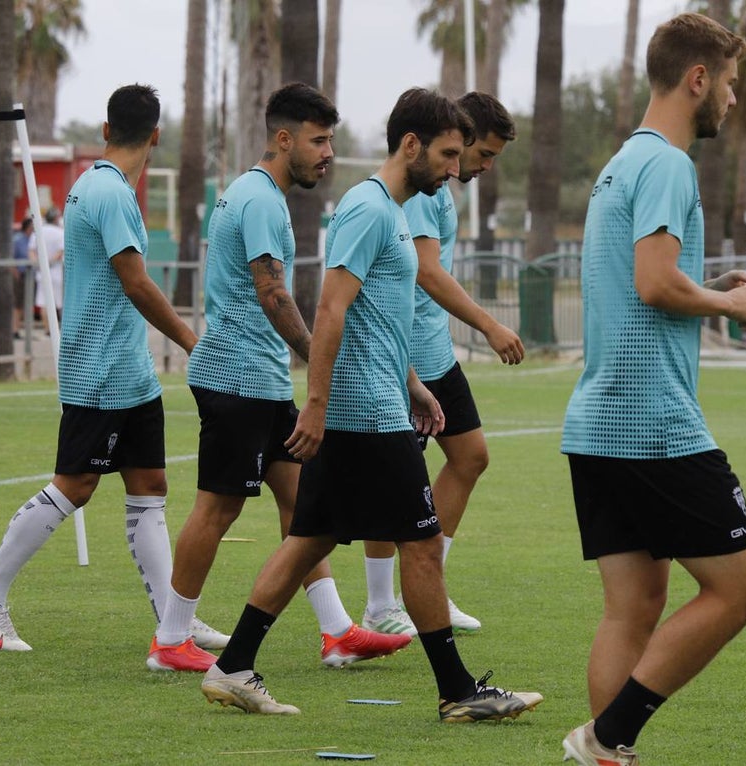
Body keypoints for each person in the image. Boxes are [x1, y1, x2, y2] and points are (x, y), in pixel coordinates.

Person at [199, 87, 542, 722]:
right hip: (364, 415)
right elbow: (331, 308)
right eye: (445, 154)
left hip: (381, 400)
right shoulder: (369, 209)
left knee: (308, 538)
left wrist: (413, 381)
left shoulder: (389, 210)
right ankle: (459, 692)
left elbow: (375, 318)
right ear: (410, 145)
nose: (452, 167)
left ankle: (232, 667)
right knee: (419, 542)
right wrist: (318, 405)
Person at [559, 14, 746, 765]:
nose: (734, 100)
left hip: (596, 423)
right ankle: (606, 737)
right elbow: (652, 284)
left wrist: (706, 288)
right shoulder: (671, 165)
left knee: (634, 607)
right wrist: (730, 306)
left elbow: (642, 281)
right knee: (742, 592)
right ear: (698, 79)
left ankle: (607, 758)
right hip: (653, 424)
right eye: (732, 83)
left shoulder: (622, 163)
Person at [151, 82, 410, 670]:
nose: (327, 153)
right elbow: (273, 293)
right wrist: (320, 354)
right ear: (283, 138)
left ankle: (338, 630)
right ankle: (170, 640)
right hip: (236, 377)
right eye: (318, 141)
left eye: (331, 141)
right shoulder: (262, 198)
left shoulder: (253, 192)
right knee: (217, 509)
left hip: (260, 380)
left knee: (303, 506)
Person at [0, 84, 206, 674]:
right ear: (155, 135)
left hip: (131, 370)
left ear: (104, 128)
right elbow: (136, 281)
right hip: (97, 371)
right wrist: (195, 343)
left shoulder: (106, 186)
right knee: (76, 485)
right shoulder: (107, 190)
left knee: (150, 484)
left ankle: (176, 621)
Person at [361, 92, 523, 637]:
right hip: (405, 357)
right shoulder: (426, 188)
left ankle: (429, 586)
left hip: (433, 353)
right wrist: (490, 324)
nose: (482, 167)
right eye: (486, 155)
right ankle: (383, 604)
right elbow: (427, 272)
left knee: (470, 456)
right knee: (387, 486)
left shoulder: (440, 189)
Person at [31, 207, 66, 334]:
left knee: (44, 302)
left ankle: (48, 329)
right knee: (59, 301)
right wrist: (50, 262)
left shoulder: (38, 232)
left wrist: (40, 263)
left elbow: (31, 250)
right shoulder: (60, 233)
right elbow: (61, 251)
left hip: (41, 272)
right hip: (57, 271)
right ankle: (59, 329)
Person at [12, 216, 33, 339]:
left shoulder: (32, 240)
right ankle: (15, 328)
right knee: (18, 304)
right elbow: (12, 257)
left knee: (27, 303)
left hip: (30, 275)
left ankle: (24, 329)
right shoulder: (18, 240)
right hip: (20, 274)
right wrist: (15, 273)